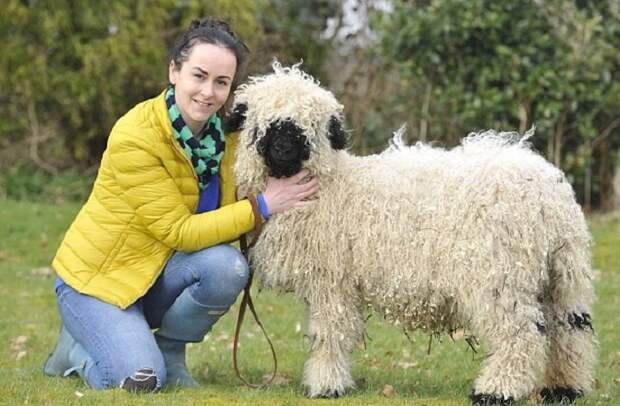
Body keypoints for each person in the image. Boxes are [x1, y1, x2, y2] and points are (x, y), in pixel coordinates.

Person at [43, 17, 318, 392]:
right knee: (140, 381)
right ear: (174, 70)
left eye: (221, 83)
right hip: (98, 285)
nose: (208, 92)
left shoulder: (228, 140)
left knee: (228, 267)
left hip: (156, 276)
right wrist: (262, 205)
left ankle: (171, 354)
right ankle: (76, 352)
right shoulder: (136, 136)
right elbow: (180, 232)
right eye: (199, 76)